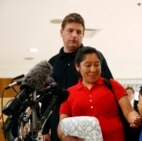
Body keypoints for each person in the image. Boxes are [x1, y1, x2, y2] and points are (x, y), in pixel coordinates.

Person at [41, 13, 113, 141]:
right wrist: (45, 129)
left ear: (83, 34)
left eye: (79, 32)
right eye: (70, 30)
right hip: (58, 125)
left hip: (89, 125)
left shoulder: (95, 57)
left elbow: (109, 87)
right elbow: (47, 99)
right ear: (61, 32)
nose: (75, 35)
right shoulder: (51, 63)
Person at [57, 47, 142, 141]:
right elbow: (62, 125)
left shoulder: (113, 85)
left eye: (97, 64)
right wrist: (65, 137)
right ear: (78, 67)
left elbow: (129, 112)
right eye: (88, 65)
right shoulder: (68, 93)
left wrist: (135, 119)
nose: (93, 69)